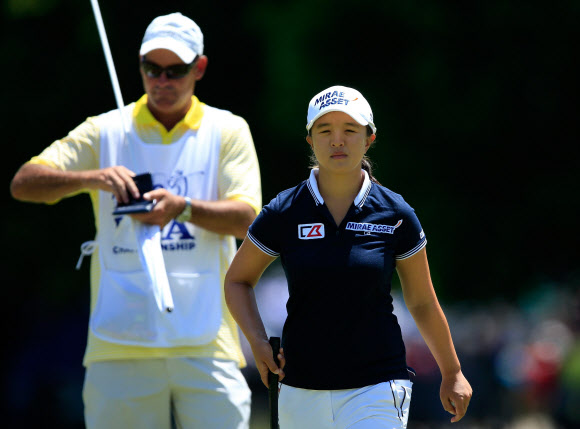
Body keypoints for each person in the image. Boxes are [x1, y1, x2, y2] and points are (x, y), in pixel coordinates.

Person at [10, 12, 260, 429]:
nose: (161, 81)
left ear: (198, 68)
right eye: (151, 68)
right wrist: (93, 177)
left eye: (174, 70)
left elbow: (248, 219)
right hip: (119, 343)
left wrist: (181, 207)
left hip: (205, 341)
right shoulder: (105, 130)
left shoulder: (227, 130)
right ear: (140, 65)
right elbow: (24, 183)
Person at [224, 85, 472, 428]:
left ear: (369, 138)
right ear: (310, 140)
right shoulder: (283, 211)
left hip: (378, 386)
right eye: (325, 131)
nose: (337, 140)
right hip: (299, 386)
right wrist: (257, 340)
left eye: (350, 130)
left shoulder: (395, 212)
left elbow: (422, 302)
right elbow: (237, 280)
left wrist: (452, 371)